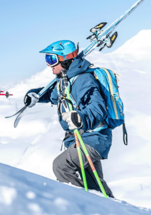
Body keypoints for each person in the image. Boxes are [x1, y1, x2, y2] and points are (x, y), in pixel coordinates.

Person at [24, 40, 114, 197]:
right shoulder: (65, 81)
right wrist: (35, 95)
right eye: (47, 59)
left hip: (93, 138)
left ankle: (85, 203)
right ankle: (112, 209)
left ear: (65, 59)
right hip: (80, 139)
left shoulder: (83, 80)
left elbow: (97, 108)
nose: (49, 64)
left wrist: (80, 118)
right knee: (94, 184)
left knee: (61, 166)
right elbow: (52, 95)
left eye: (52, 59)